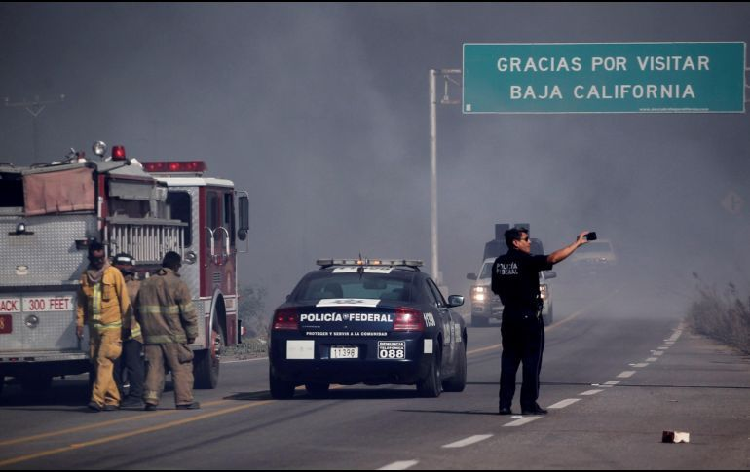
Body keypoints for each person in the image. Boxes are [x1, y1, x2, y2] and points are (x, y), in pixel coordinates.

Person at [492, 228, 589, 416]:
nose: (529, 242)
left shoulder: (498, 263)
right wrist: (576, 244)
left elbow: (496, 289)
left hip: (509, 317)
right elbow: (553, 258)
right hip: (528, 318)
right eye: (526, 239)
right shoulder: (527, 261)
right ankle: (528, 404)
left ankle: (504, 404)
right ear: (515, 243)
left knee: (509, 362)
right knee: (531, 362)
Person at [135, 251, 200, 411]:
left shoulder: (145, 283)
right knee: (181, 367)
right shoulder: (177, 284)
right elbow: (188, 312)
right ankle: (184, 400)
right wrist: (192, 334)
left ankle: (151, 400)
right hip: (174, 336)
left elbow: (137, 310)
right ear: (176, 265)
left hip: (151, 337)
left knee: (154, 368)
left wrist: (146, 328)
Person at [76, 241, 130, 412]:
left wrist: (127, 325)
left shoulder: (114, 274)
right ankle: (113, 399)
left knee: (104, 361)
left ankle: (97, 399)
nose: (99, 261)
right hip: (94, 328)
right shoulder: (85, 276)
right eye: (95, 258)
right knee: (99, 364)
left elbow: (124, 300)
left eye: (101, 258)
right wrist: (79, 323)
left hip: (112, 327)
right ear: (90, 257)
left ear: (105, 256)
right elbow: (81, 303)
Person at [112, 253, 146, 408]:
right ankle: (134, 396)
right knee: (133, 365)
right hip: (132, 333)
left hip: (123, 333)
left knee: (117, 366)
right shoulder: (137, 286)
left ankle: (119, 395)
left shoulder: (111, 286)